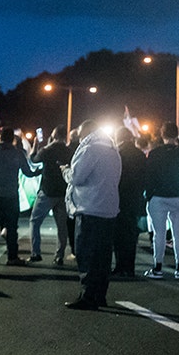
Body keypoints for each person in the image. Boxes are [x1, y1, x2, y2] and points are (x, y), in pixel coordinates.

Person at [62, 119, 121, 310]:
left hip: (89, 208)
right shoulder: (113, 150)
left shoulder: (90, 149)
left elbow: (77, 177)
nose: (79, 139)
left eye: (80, 135)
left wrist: (65, 172)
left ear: (86, 133)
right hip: (109, 209)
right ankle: (100, 295)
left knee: (85, 253)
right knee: (103, 256)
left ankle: (88, 295)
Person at [0, 127, 40, 265]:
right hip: (11, 195)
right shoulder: (17, 154)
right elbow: (28, 172)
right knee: (12, 228)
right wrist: (39, 172)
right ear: (12, 139)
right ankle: (12, 257)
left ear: (0, 138)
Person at [142, 122, 179, 279]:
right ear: (176, 134)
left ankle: (157, 268)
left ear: (162, 134)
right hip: (178, 196)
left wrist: (149, 195)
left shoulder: (154, 153)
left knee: (159, 234)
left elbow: (149, 177)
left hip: (158, 197)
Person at [30, 126, 71, 265]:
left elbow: (34, 160)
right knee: (62, 226)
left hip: (47, 191)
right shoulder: (69, 151)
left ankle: (36, 253)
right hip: (63, 192)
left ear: (53, 135)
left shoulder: (47, 150)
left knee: (35, 221)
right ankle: (59, 255)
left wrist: (35, 147)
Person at [112, 127, 146, 276]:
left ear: (118, 137)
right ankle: (130, 268)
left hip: (119, 198)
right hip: (135, 198)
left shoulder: (116, 153)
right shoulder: (140, 154)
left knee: (118, 235)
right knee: (132, 235)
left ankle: (120, 266)